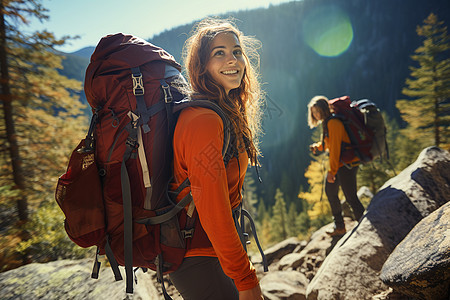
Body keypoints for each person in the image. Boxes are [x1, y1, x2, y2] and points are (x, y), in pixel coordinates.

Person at [168, 18, 264, 300]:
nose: (232, 59)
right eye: (218, 53)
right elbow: (212, 206)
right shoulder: (204, 120)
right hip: (198, 257)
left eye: (236, 51)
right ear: (201, 66)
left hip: (216, 250)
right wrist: (246, 278)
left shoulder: (224, 109)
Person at [307, 95, 365, 236]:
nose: (315, 114)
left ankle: (364, 224)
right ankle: (340, 227)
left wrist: (332, 171)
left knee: (350, 196)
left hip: (347, 164)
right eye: (313, 112)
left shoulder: (333, 123)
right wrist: (319, 146)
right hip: (342, 163)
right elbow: (329, 143)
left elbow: (335, 150)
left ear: (324, 109)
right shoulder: (327, 122)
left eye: (317, 111)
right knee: (331, 192)